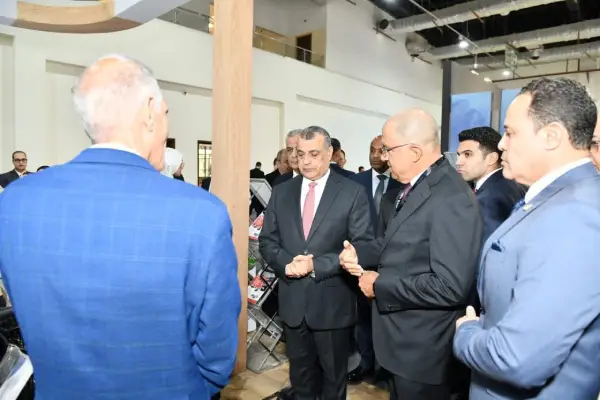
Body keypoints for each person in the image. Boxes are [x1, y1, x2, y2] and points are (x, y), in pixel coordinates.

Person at [0, 54, 241, 399]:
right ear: (149, 112)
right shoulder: (201, 213)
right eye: (167, 113)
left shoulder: (15, 202)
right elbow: (217, 344)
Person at [453, 78, 600, 399]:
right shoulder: (556, 198)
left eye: (510, 133)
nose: (501, 144)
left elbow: (517, 359)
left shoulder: (575, 214)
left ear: (552, 136)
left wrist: (466, 333)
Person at [339, 108, 483, 400]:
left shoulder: (451, 197)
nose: (384, 157)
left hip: (422, 351)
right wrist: (358, 252)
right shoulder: (418, 186)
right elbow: (396, 242)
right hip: (401, 344)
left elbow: (450, 286)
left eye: (388, 149)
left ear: (415, 151)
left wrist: (379, 285)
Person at [259, 126, 374, 400]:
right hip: (293, 304)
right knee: (301, 382)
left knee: (333, 382)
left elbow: (363, 245)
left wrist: (316, 265)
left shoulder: (352, 192)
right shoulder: (282, 191)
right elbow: (267, 241)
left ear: (330, 153)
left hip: (332, 305)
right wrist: (287, 264)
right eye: (300, 154)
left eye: (314, 154)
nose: (306, 161)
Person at [348, 134, 403, 383]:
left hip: (391, 260)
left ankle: (387, 368)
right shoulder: (354, 181)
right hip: (360, 259)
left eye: (381, 150)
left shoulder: (402, 183)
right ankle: (365, 362)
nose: (375, 155)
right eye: (372, 149)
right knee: (362, 315)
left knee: (387, 316)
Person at [456, 126, 525, 243]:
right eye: (459, 155)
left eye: (467, 154)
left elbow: (486, 248)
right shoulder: (509, 184)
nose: (458, 162)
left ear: (491, 158)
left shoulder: (488, 201)